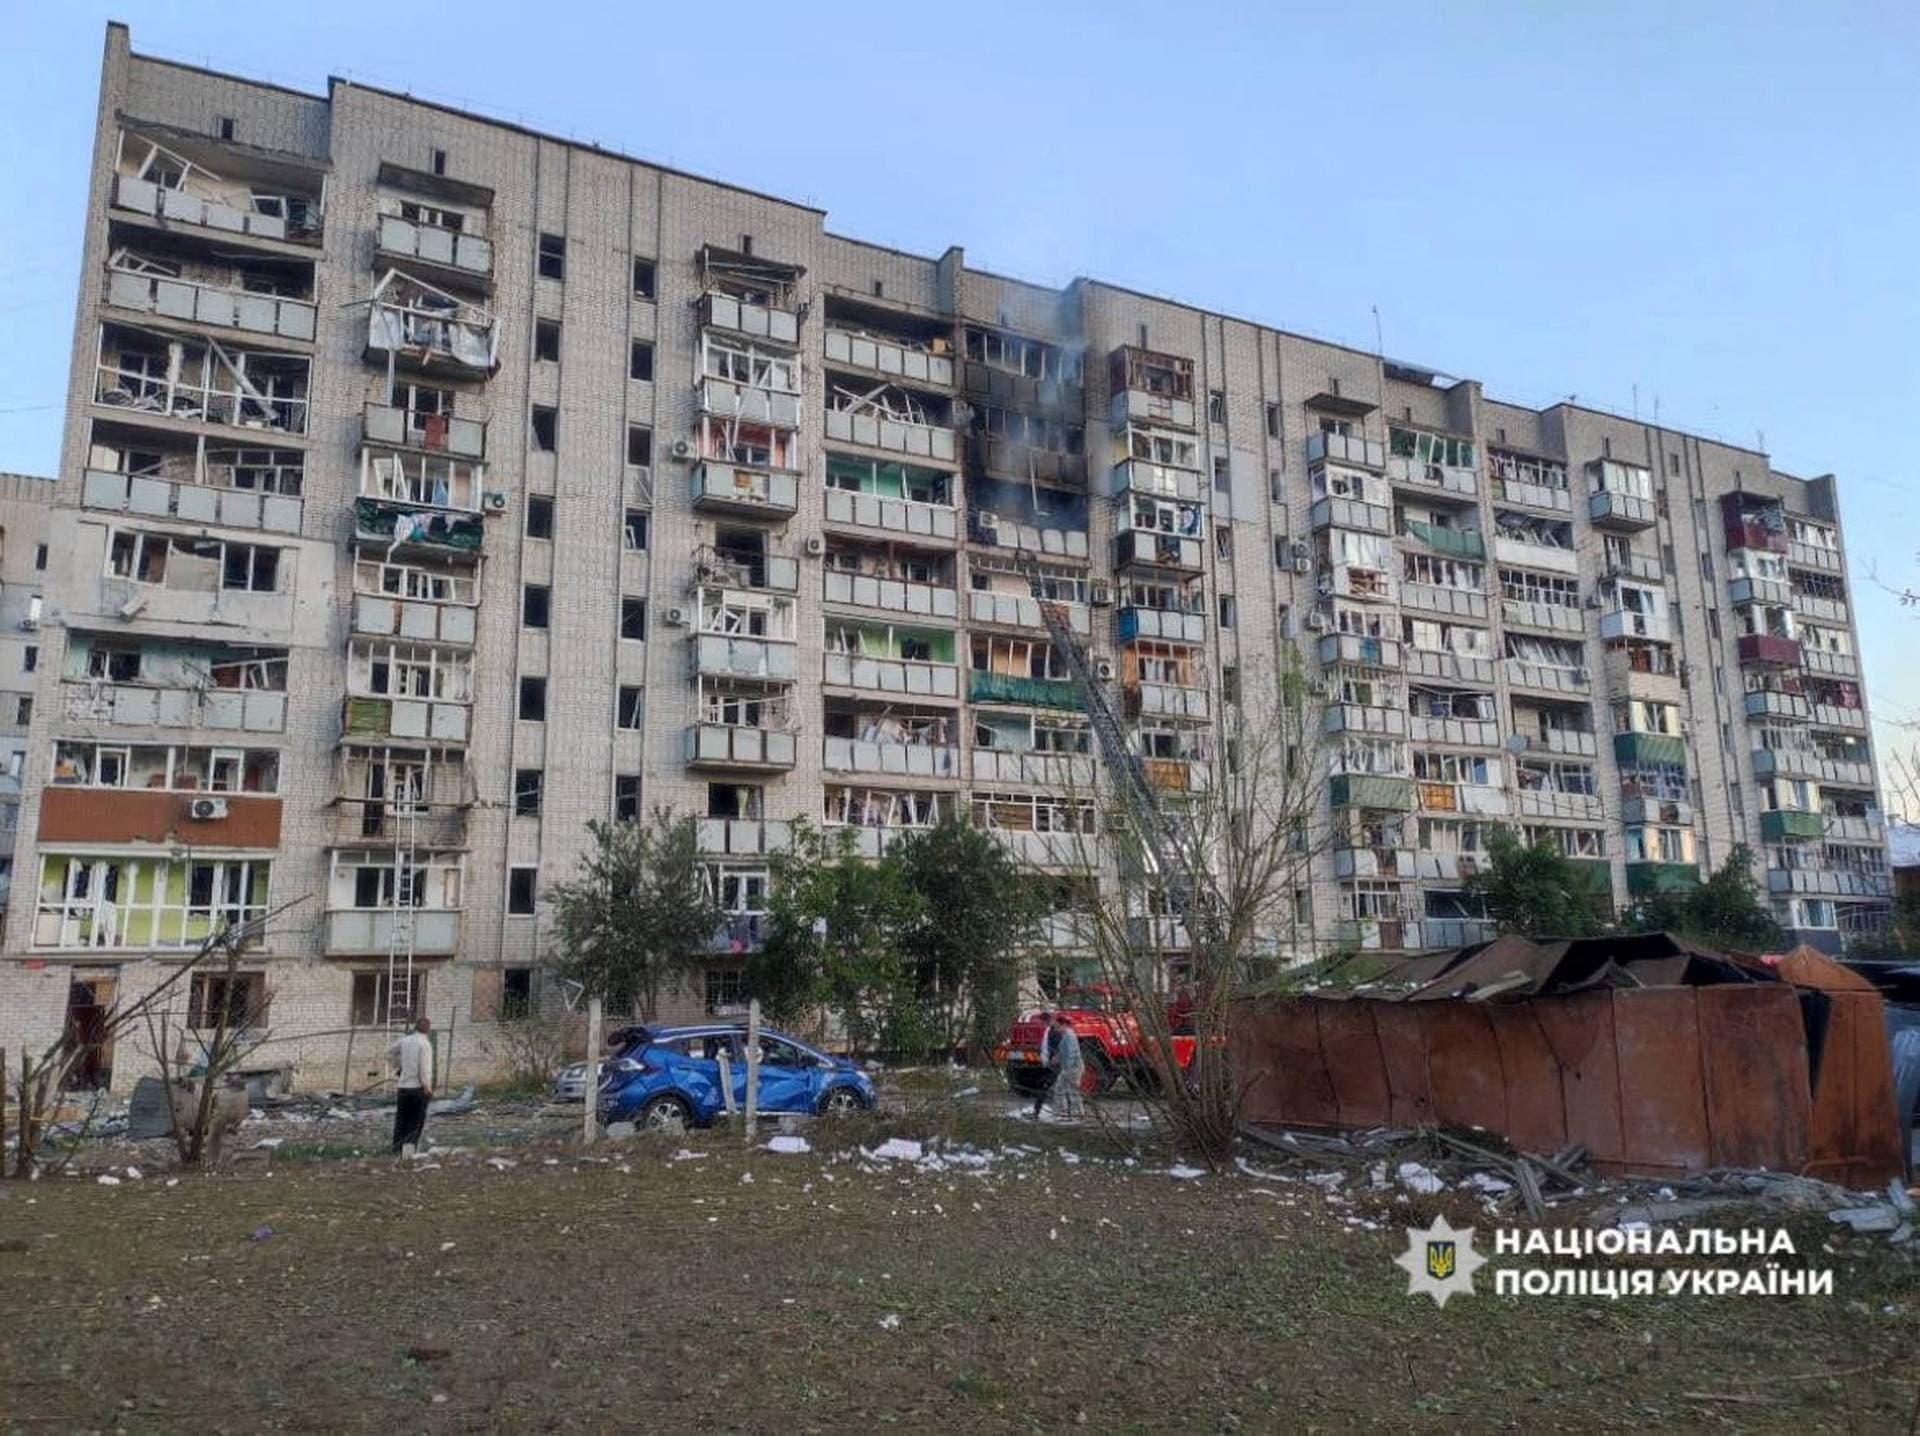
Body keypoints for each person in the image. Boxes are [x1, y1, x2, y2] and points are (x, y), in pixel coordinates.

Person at [387, 1016, 435, 1155]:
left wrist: (399, 1068)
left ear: (415, 1027)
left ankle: (396, 1149)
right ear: (428, 1029)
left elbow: (389, 1054)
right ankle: (408, 1152)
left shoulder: (405, 1040)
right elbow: (424, 1068)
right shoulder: (425, 1044)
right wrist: (427, 1087)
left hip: (403, 1088)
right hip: (418, 1089)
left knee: (401, 1120)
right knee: (415, 1122)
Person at [1048, 1012, 1085, 1121]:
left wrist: (1068, 1070)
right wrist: (1057, 1058)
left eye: (1056, 1027)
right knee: (1060, 1089)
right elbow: (1063, 1052)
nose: (1055, 1030)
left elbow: (1072, 1054)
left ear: (1062, 1025)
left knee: (1071, 1091)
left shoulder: (1069, 1036)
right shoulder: (1066, 1036)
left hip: (1072, 1068)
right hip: (1067, 1068)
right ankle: (1065, 1113)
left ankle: (1076, 1114)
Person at [1029, 1011, 1054, 1119]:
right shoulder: (1047, 1030)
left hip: (1052, 1066)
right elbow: (1044, 1045)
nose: (1042, 1024)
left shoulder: (1053, 1031)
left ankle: (1037, 1112)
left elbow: (1055, 1047)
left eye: (1043, 1022)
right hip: (1046, 1064)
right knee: (1042, 1087)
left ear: (1047, 1020)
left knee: (1043, 1088)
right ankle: (1036, 1111)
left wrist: (1053, 1059)